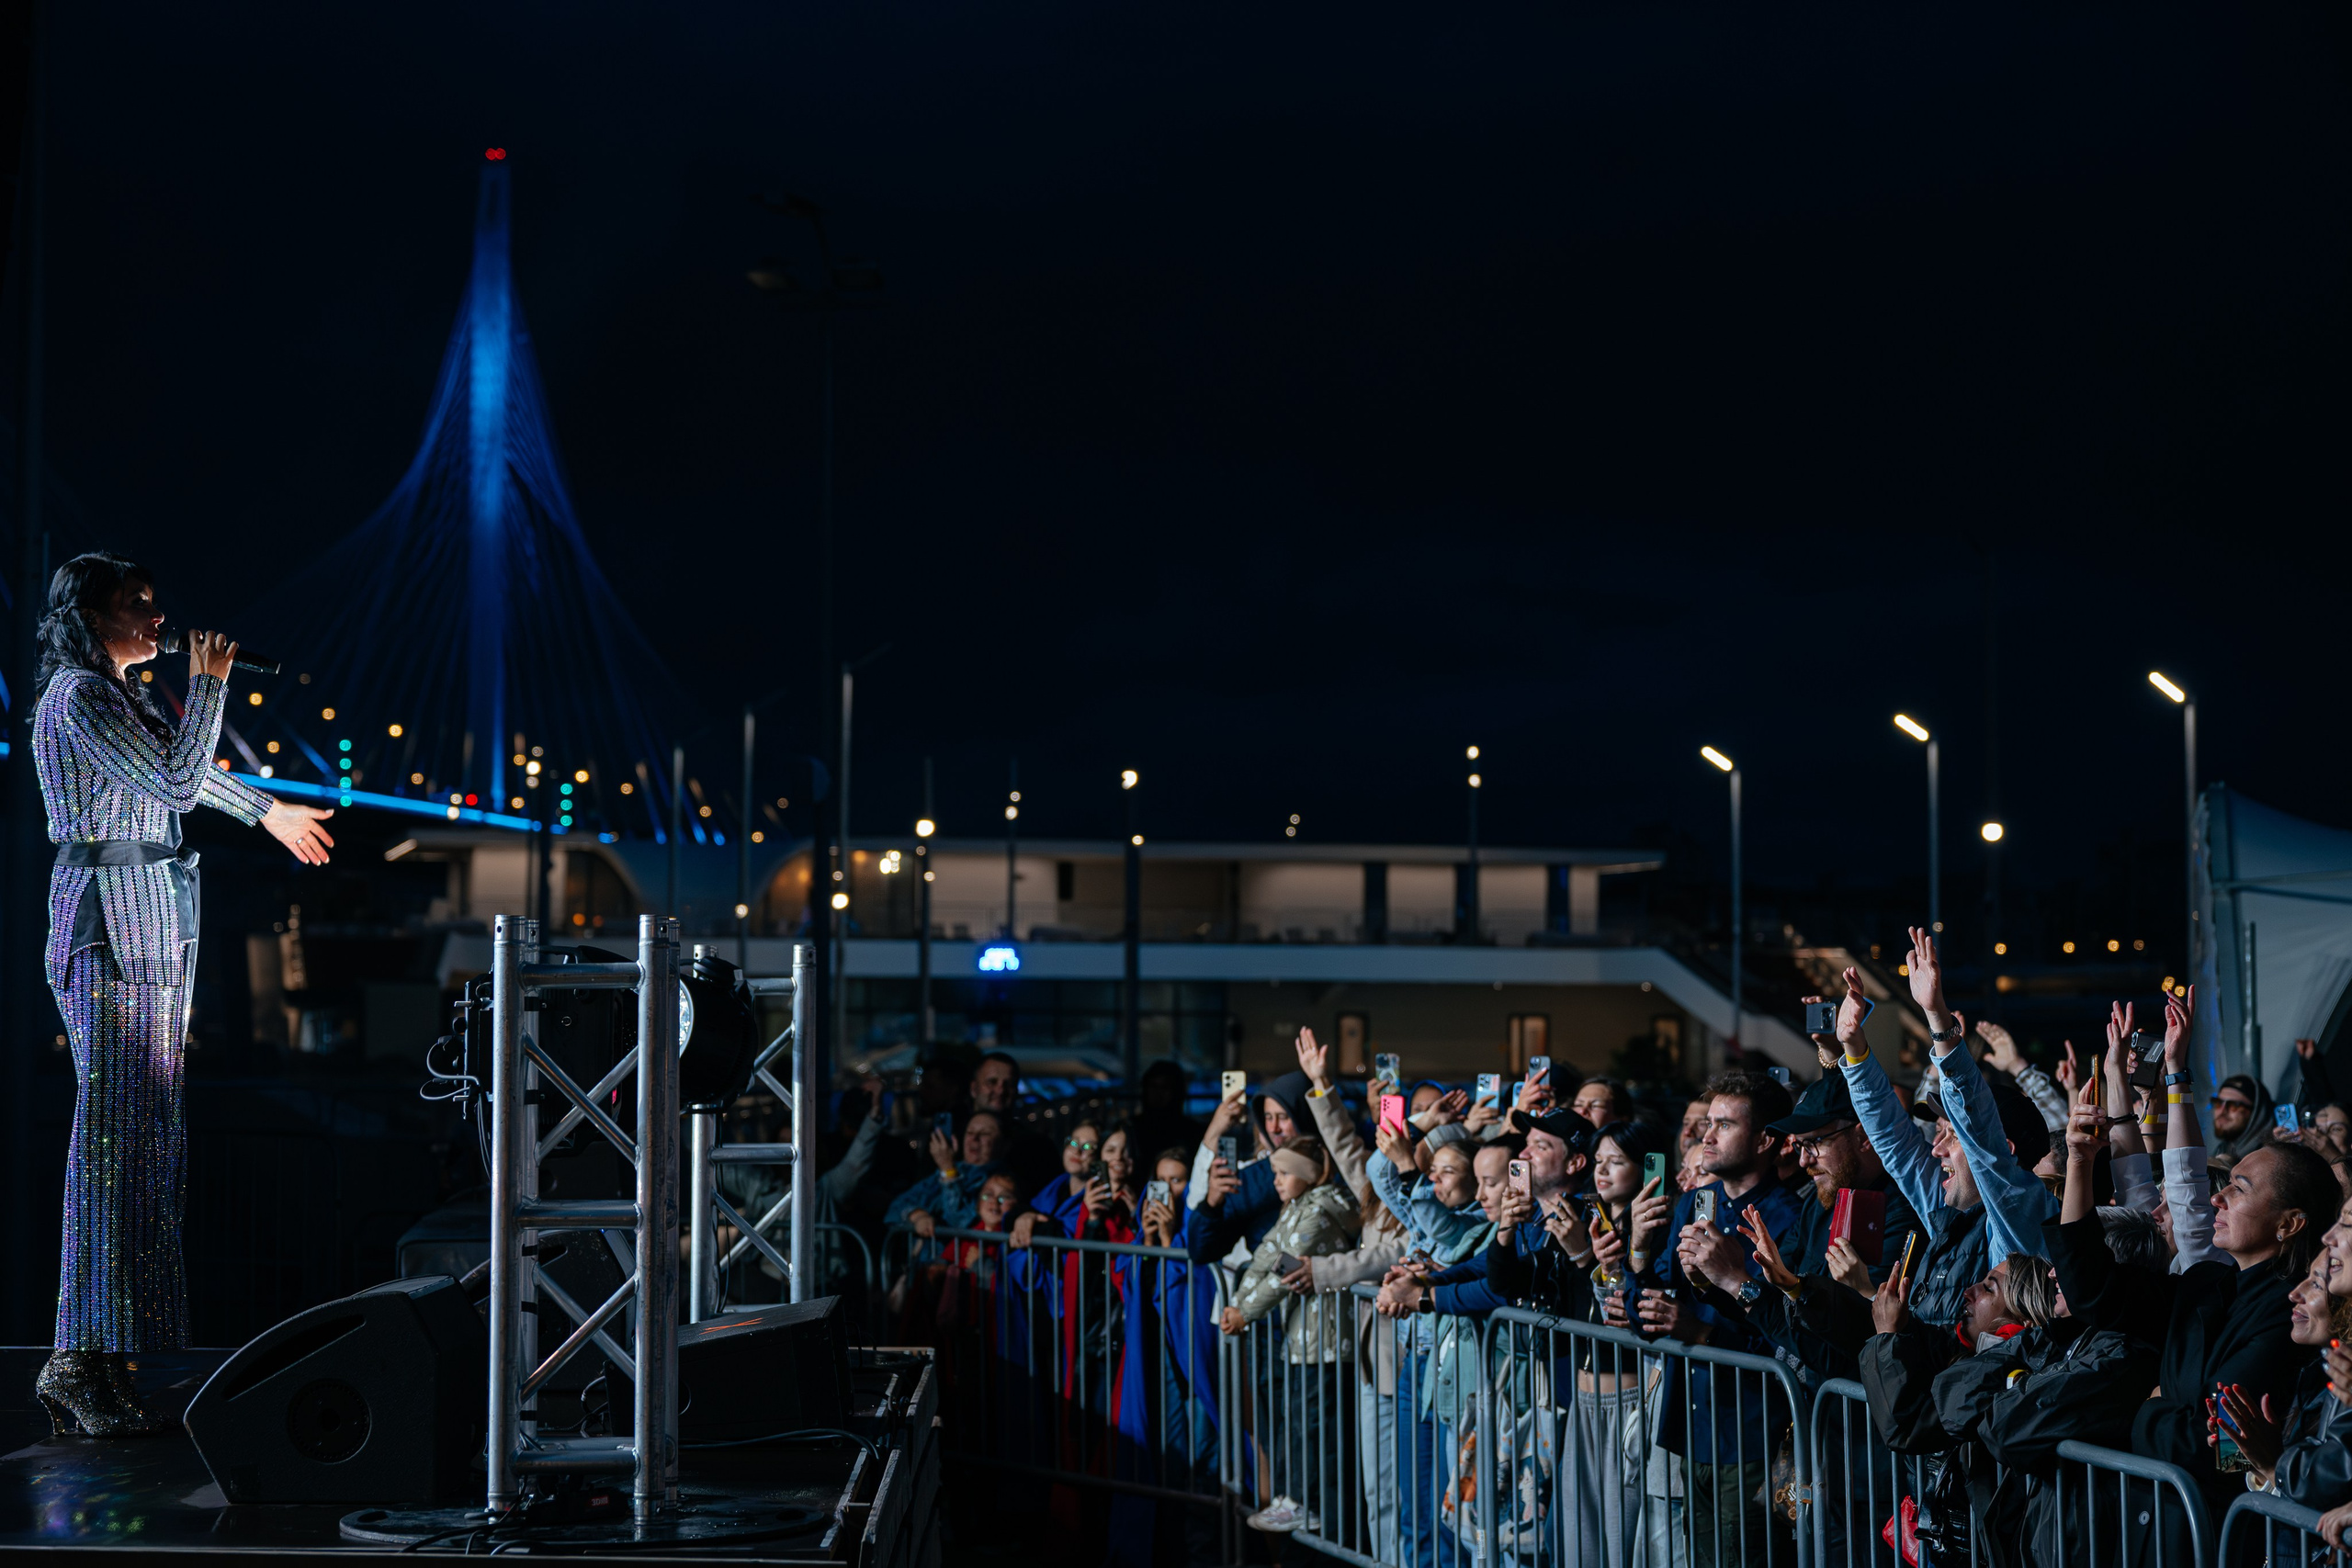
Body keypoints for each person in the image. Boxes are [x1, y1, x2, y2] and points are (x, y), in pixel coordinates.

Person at [29, 555, 335, 1437]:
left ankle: (105, 1353)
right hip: (108, 928)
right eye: (139, 605)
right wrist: (209, 687)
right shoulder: (79, 700)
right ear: (90, 617)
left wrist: (266, 812)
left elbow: (180, 771)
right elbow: (170, 782)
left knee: (145, 1136)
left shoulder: (118, 700)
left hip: (153, 929)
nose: (159, 619)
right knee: (112, 1139)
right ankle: (75, 1357)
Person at [2046, 985, 2339, 1552]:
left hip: (2216, 1540)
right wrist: (2080, 1163)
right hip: (2153, 1528)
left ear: (2289, 1225)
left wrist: (2148, 1411)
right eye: (2226, 1184)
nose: (2219, 1198)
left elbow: (2213, 1449)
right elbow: (2092, 1292)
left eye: (2239, 1187)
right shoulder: (2205, 1283)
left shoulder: (2290, 1318)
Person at [1630, 1069, 1805, 1567]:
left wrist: (1702, 1331)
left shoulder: (1786, 1221)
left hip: (1751, 1429)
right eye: (1708, 1122)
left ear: (1767, 1140)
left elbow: (1788, 1340)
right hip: (1692, 1422)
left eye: (1724, 1125)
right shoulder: (1693, 1203)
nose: (1706, 1136)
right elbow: (1648, 1313)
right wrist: (1639, 1254)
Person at [1487, 1117, 1677, 1568]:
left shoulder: (1655, 1230)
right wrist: (1506, 1230)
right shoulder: (1594, 1221)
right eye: (1598, 1161)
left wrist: (1584, 1257)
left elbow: (1626, 1315)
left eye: (1617, 1161)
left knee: (1620, 1541)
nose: (1602, 1171)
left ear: (1650, 1170)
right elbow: (1510, 1283)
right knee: (1576, 1541)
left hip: (1630, 1403)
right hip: (1585, 1400)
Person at [1219, 1135, 1360, 1536]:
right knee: (1297, 1422)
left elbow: (1283, 1273)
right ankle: (1294, 1496)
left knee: (1313, 1426)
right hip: (1303, 1339)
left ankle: (1309, 1503)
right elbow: (1266, 1256)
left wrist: (1243, 1313)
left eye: (1283, 1173)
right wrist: (1239, 1303)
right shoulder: (1296, 1207)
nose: (1276, 1180)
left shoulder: (1317, 1213)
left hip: (1326, 1341)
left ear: (1306, 1175)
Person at [972, 1049, 1061, 1195]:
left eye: (1008, 1084)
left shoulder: (1038, 1147)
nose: (1000, 1090)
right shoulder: (951, 1138)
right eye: (992, 1082)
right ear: (974, 1088)